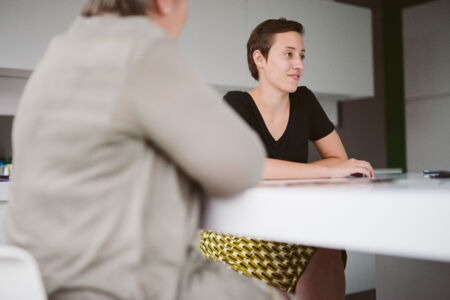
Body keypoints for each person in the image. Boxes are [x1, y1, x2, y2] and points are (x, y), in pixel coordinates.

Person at [4, 1, 289, 299]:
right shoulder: (139, 46)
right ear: (163, 3)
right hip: (117, 286)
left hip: (43, 283)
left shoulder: (61, 50)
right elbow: (242, 165)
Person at [200, 18, 374, 300]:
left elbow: (338, 158)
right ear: (260, 59)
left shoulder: (304, 100)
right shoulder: (236, 103)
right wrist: (325, 171)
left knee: (329, 248)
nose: (299, 65)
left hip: (286, 222)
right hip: (235, 227)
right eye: (289, 54)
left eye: (302, 56)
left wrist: (324, 168)